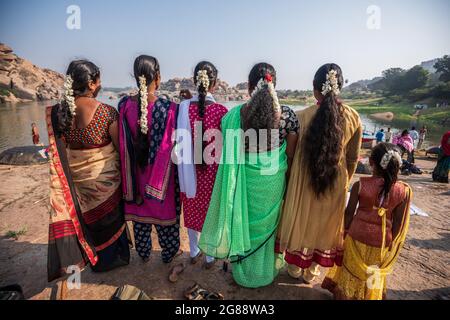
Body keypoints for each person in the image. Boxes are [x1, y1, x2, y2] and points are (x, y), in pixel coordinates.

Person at [198, 62, 299, 288]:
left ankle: (242, 271)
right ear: (275, 86)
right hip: (273, 181)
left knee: (243, 222)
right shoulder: (288, 115)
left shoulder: (235, 115)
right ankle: (265, 272)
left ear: (250, 86)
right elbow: (291, 155)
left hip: (243, 181)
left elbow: (227, 149)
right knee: (266, 229)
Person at [276, 63, 362, 284]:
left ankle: (294, 269)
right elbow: (352, 158)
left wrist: (289, 180)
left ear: (315, 89)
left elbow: (290, 155)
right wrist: (345, 181)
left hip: (302, 179)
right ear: (339, 87)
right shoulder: (354, 117)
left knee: (302, 221)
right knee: (324, 225)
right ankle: (311, 272)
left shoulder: (300, 116)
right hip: (335, 180)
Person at [46, 60, 130, 282]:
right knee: (110, 219)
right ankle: (112, 258)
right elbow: (121, 149)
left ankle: (90, 255)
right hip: (105, 183)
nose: (101, 83)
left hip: (76, 184)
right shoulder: (106, 112)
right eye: (99, 79)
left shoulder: (57, 114)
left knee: (87, 220)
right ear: (92, 84)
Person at [322, 143, 412, 300]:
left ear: (371, 162)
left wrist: (344, 232)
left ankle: (348, 294)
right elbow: (398, 223)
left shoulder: (360, 184)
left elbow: (349, 213)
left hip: (357, 236)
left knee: (352, 269)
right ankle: (369, 296)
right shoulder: (403, 191)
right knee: (373, 271)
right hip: (382, 241)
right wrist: (390, 242)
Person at [118, 55, 182, 263]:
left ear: (136, 78)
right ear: (158, 77)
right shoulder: (170, 108)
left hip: (135, 176)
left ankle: (144, 253)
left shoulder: (124, 105)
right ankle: (169, 253)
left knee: (140, 218)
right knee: (166, 218)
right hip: (161, 177)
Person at [177, 62, 228, 269]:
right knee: (210, 212)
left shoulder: (183, 108)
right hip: (212, 172)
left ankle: (194, 250)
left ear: (195, 81)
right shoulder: (221, 111)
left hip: (189, 172)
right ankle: (209, 257)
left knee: (191, 207)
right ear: (214, 84)